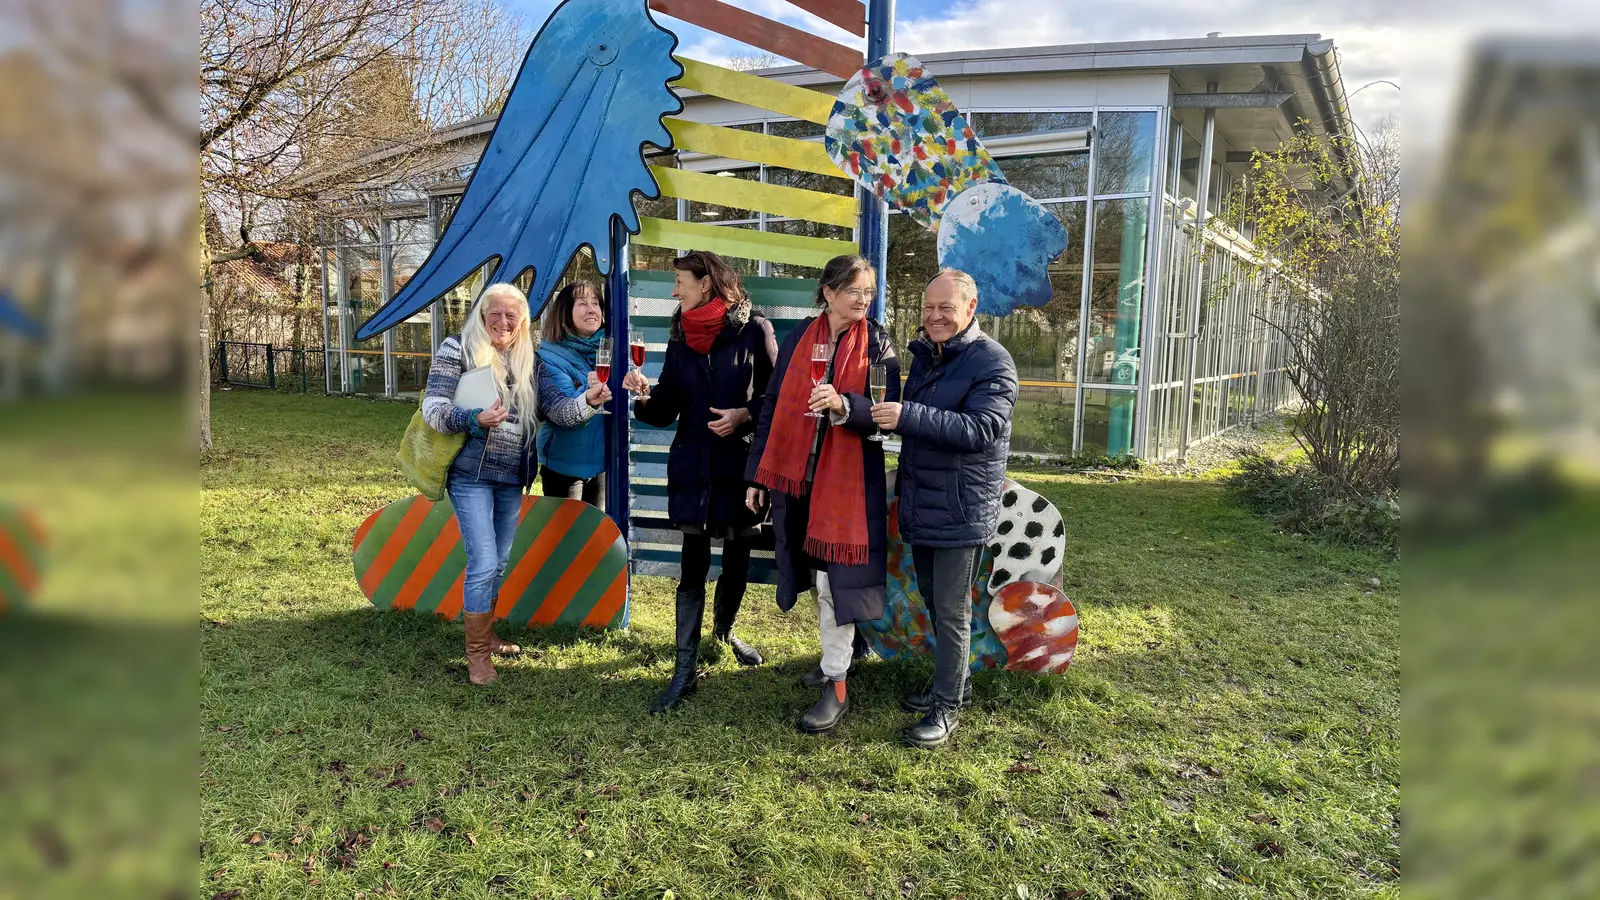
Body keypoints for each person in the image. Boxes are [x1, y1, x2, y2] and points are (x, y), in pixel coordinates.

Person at [746, 255, 899, 733]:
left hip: (849, 483)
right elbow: (773, 405)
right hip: (799, 481)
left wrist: (843, 405)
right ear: (828, 292)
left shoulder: (879, 342)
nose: (863, 300)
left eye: (869, 293)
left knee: (838, 583)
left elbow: (885, 404)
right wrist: (759, 476)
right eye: (855, 291)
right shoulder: (797, 339)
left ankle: (836, 682)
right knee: (818, 577)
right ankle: (845, 655)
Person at [621, 250, 778, 714]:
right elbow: (667, 407)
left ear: (706, 283)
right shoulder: (680, 334)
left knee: (736, 558)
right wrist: (644, 397)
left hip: (740, 470)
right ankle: (684, 671)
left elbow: (776, 398)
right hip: (691, 470)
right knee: (691, 566)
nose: (674, 290)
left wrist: (743, 416)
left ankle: (725, 633)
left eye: (679, 281)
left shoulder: (755, 330)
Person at [869, 268, 1018, 748]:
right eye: (929, 307)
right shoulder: (931, 358)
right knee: (935, 601)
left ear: (970, 309)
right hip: (925, 500)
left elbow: (979, 429)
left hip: (961, 506)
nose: (934, 316)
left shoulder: (993, 362)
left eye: (945, 308)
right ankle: (956, 684)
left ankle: (947, 706)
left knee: (951, 610)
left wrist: (907, 416)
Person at [422, 282, 548, 686]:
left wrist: (590, 400)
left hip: (512, 476)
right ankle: (476, 656)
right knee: (483, 563)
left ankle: (487, 634)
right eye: (495, 313)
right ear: (481, 313)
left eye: (512, 315)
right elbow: (434, 408)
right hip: (470, 475)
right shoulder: (455, 347)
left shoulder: (529, 358)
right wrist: (472, 419)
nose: (503, 321)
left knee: (500, 562)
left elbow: (556, 409)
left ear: (523, 321)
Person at [536, 281, 613, 507]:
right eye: (582, 303)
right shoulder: (549, 356)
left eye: (595, 303)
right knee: (564, 539)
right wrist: (588, 391)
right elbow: (563, 409)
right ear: (565, 314)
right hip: (564, 466)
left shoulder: (611, 347)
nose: (592, 309)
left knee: (596, 539)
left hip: (602, 465)